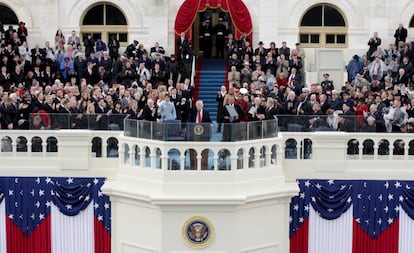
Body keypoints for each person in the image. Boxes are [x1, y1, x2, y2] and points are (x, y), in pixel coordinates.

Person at [188, 100, 212, 169]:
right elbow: (189, 122)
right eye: (197, 105)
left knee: (204, 151)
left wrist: (211, 124)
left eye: (199, 105)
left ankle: (204, 166)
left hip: (204, 135)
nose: (198, 106)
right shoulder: (192, 112)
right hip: (194, 135)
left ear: (202, 105)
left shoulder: (206, 113)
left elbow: (210, 121)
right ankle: (193, 166)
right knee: (194, 151)